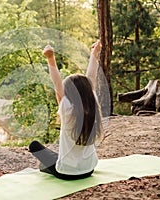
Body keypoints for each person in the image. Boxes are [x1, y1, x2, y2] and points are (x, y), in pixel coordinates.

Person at [28, 40, 104, 180]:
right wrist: (94, 53)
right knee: (57, 156)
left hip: (66, 173)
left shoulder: (67, 109)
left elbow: (57, 84)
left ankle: (45, 167)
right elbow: (91, 78)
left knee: (34, 146)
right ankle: (50, 165)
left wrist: (50, 59)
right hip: (89, 170)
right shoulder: (92, 104)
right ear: (88, 90)